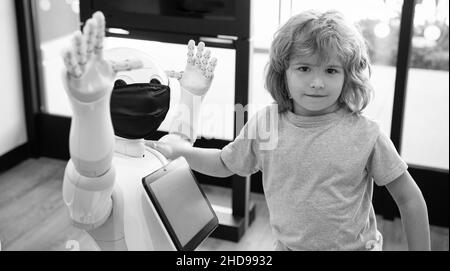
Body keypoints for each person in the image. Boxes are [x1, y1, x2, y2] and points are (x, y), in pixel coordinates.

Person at [148, 10, 431, 251]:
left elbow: (409, 198)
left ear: (348, 76)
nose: (317, 82)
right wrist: (183, 151)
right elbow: (225, 162)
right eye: (304, 68)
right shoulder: (266, 124)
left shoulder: (367, 134)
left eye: (331, 70)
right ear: (283, 72)